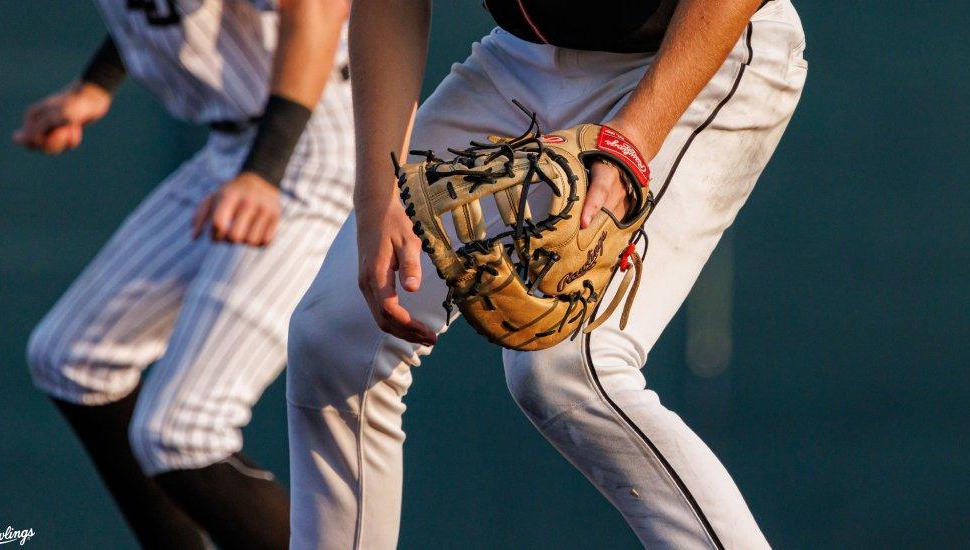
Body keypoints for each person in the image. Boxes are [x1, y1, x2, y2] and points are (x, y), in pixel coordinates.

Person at [287, 0, 807, 548]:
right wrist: (379, 195)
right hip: (519, 61)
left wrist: (633, 140)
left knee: (566, 365)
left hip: (694, 50)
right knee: (337, 334)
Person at [19, 0, 352, 548]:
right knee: (70, 356)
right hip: (240, 145)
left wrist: (264, 173)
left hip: (313, 138)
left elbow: (317, 9)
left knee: (183, 430)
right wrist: (96, 85)